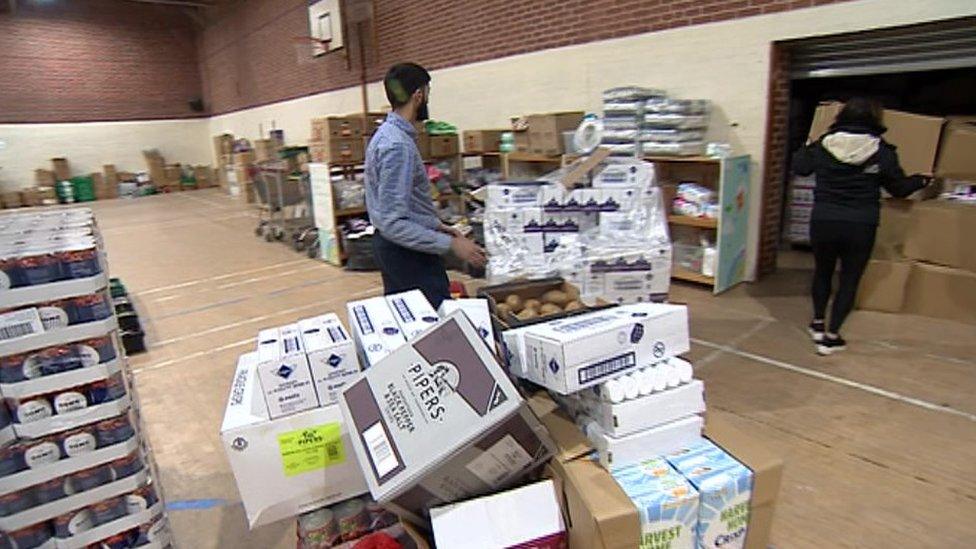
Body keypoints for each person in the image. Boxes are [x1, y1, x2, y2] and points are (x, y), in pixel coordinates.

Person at [792, 97, 927, 356]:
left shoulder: (823, 145)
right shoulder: (882, 151)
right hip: (861, 224)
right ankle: (831, 337)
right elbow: (898, 188)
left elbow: (801, 167)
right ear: (875, 120)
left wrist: (805, 146)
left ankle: (817, 322)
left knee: (822, 272)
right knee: (849, 280)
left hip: (824, 220)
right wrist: (921, 180)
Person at [365, 62, 486, 309]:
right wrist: (451, 245)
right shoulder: (397, 146)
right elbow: (393, 222)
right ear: (419, 95)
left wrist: (439, 226)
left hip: (397, 247)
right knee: (436, 326)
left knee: (410, 323)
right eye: (427, 92)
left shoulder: (387, 135)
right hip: (406, 252)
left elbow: (404, 205)